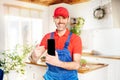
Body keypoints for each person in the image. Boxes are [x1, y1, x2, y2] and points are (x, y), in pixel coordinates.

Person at [29, 6, 82, 80]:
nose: (60, 21)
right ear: (54, 19)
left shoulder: (75, 39)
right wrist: (34, 55)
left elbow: (76, 65)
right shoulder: (48, 37)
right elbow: (33, 60)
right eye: (57, 18)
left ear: (67, 19)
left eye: (63, 18)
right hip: (51, 78)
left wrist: (58, 63)